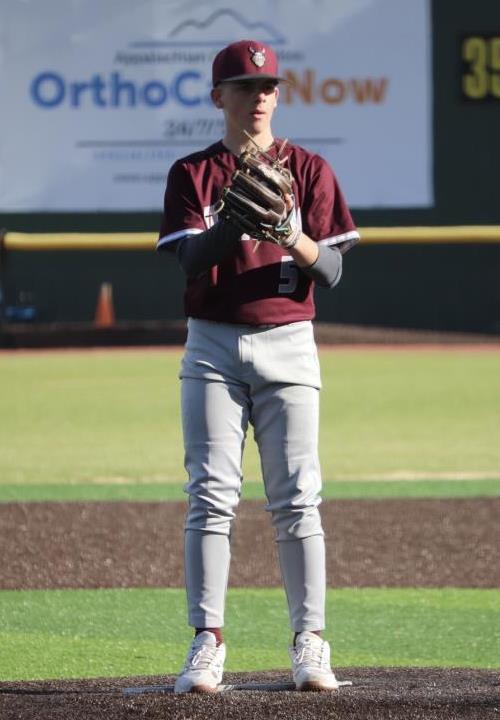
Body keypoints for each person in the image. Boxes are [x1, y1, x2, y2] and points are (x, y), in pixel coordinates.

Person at [157, 39, 360, 693]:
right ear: (219, 97)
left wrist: (287, 233)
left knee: (298, 499)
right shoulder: (193, 173)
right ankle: (207, 641)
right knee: (211, 496)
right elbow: (191, 261)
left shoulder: (309, 168)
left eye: (268, 86)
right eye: (246, 86)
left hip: (289, 339)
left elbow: (331, 270)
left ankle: (310, 643)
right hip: (212, 344)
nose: (260, 97)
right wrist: (232, 223)